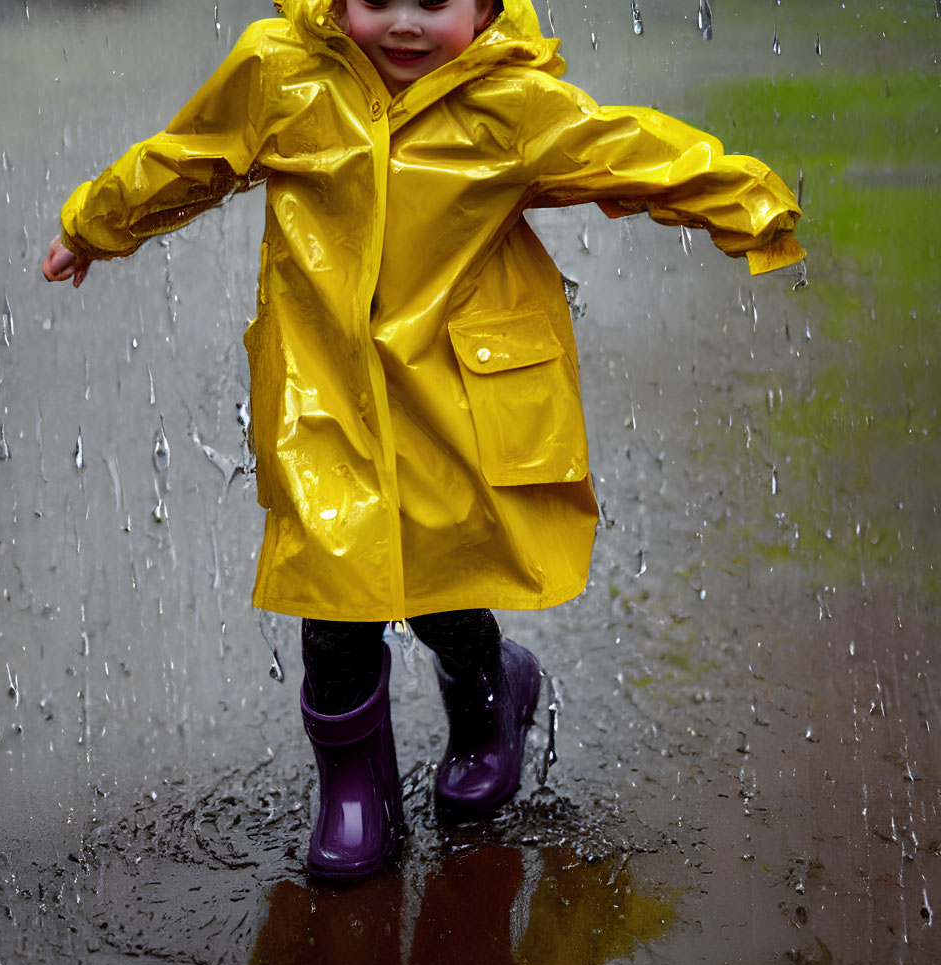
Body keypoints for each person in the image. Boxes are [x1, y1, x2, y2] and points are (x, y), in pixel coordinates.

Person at [43, 0, 804, 882]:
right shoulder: (282, 70)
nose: (404, 22)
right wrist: (94, 223)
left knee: (443, 592)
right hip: (322, 392)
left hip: (446, 399)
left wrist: (749, 202)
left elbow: (625, 151)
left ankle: (489, 700)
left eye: (435, 2)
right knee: (334, 605)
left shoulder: (506, 106)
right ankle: (353, 791)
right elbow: (191, 155)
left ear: (484, 6)